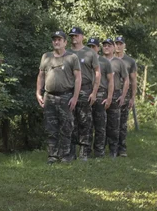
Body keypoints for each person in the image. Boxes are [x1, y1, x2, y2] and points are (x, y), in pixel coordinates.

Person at [36, 30, 81, 164]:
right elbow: (41, 75)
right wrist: (38, 92)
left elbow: (78, 78)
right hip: (49, 96)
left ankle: (65, 155)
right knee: (50, 127)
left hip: (66, 96)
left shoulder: (72, 58)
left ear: (65, 42)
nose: (56, 42)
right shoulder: (46, 57)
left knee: (67, 127)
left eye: (59, 39)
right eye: (54, 39)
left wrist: (75, 97)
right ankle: (52, 156)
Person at [68, 27, 100, 161]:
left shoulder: (90, 53)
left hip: (85, 90)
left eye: (76, 35)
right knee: (70, 122)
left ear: (82, 37)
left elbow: (97, 73)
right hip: (69, 90)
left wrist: (94, 92)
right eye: (72, 36)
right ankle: (70, 152)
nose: (74, 38)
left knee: (85, 122)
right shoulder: (67, 52)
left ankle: (84, 152)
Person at [103, 39, 129, 157]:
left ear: (113, 48)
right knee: (101, 124)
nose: (106, 48)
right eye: (104, 46)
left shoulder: (119, 63)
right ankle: (100, 150)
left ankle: (114, 150)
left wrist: (123, 96)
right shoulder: (99, 61)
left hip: (115, 95)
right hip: (101, 94)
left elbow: (126, 79)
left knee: (114, 125)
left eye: (109, 46)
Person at [89, 38, 113, 158]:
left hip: (101, 94)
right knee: (86, 125)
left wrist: (109, 97)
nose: (92, 49)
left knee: (100, 126)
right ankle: (86, 152)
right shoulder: (83, 61)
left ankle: (99, 152)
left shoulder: (104, 62)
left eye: (94, 47)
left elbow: (110, 81)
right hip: (87, 94)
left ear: (98, 48)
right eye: (90, 46)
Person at [114, 36, 137, 156]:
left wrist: (132, 97)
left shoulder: (130, 61)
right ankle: (111, 147)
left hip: (125, 94)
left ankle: (122, 148)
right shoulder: (108, 59)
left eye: (120, 43)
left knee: (122, 123)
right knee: (111, 123)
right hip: (111, 94)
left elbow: (133, 80)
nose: (118, 46)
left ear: (124, 46)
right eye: (116, 43)